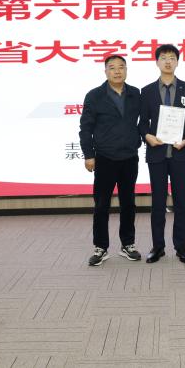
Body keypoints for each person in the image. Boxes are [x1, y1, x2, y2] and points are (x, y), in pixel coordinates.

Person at [139, 44, 185, 264]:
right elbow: (142, 123)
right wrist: (147, 136)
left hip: (180, 154)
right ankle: (158, 247)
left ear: (177, 62)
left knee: (181, 202)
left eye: (172, 58)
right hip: (157, 154)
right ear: (157, 62)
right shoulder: (147, 91)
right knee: (158, 202)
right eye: (163, 58)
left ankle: (181, 246)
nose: (168, 61)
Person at [79, 55, 142, 266]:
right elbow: (85, 128)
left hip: (129, 157)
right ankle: (100, 247)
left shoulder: (135, 93)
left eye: (121, 67)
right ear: (105, 71)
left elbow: (145, 121)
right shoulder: (94, 95)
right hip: (105, 158)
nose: (117, 71)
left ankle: (128, 244)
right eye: (112, 68)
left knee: (128, 203)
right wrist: (88, 155)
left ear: (126, 70)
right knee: (101, 204)